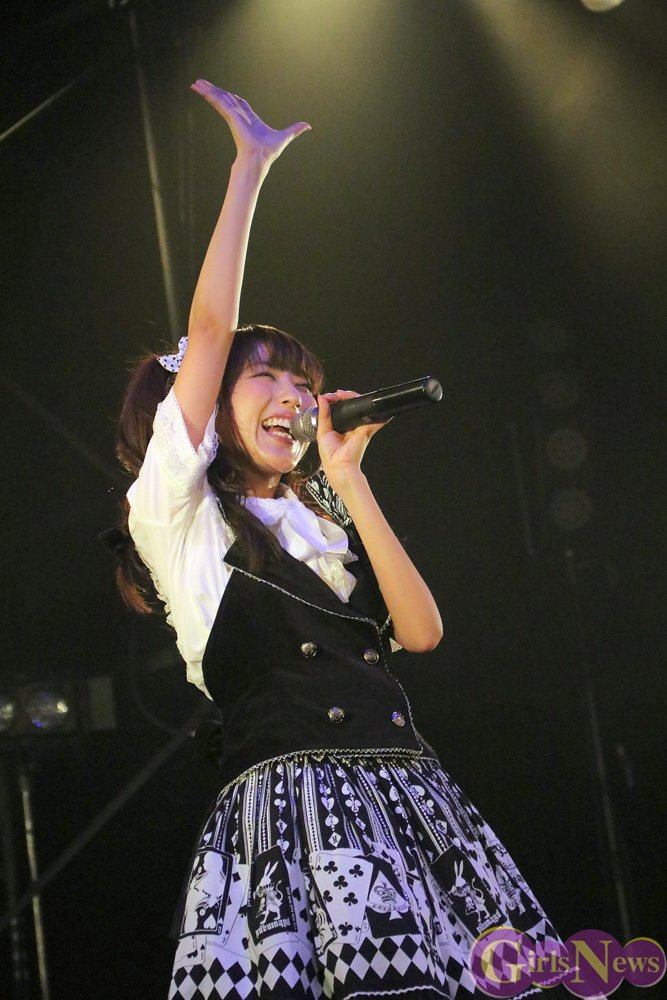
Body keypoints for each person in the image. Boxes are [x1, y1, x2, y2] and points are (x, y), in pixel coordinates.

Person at [115, 81, 561, 1000]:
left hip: (411, 803)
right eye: (266, 378)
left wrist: (350, 481)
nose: (292, 397)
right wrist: (249, 170)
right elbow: (210, 331)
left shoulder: (322, 520)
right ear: (208, 405)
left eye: (302, 382)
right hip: (294, 821)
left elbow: (420, 632)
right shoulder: (176, 517)